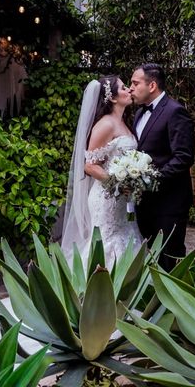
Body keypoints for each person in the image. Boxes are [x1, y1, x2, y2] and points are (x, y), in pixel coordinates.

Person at [61, 75, 143, 266]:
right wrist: (117, 184)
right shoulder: (106, 124)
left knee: (125, 236)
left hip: (122, 199)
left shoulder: (123, 122)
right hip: (106, 198)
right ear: (113, 98)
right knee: (107, 240)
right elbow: (89, 165)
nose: (129, 90)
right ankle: (97, 286)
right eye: (124, 88)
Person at [129, 63, 195, 271]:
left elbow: (183, 157)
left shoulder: (175, 112)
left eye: (135, 83)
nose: (131, 88)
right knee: (152, 261)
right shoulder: (139, 113)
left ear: (152, 85)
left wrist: (149, 179)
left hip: (169, 204)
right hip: (145, 204)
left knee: (170, 259)